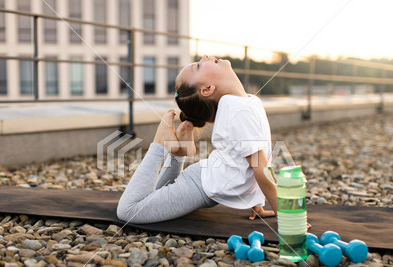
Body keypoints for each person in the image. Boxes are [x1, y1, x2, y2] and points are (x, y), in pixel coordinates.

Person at [117, 55, 277, 224]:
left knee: (156, 195)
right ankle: (160, 143)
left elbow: (261, 156)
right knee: (129, 211)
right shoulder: (236, 108)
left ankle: (178, 153)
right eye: (199, 66)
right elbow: (260, 167)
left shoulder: (251, 101)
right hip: (200, 185)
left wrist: (256, 203)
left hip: (207, 180)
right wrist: (285, 214)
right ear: (207, 88)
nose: (205, 56)